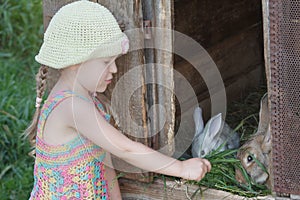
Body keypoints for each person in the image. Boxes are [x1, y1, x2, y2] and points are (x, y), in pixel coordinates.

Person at [24, 1, 211, 199]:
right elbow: (125, 149)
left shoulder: (87, 99)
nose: (114, 69)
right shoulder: (71, 107)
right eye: (106, 62)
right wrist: (181, 168)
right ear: (76, 63)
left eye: (114, 61)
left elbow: (105, 162)